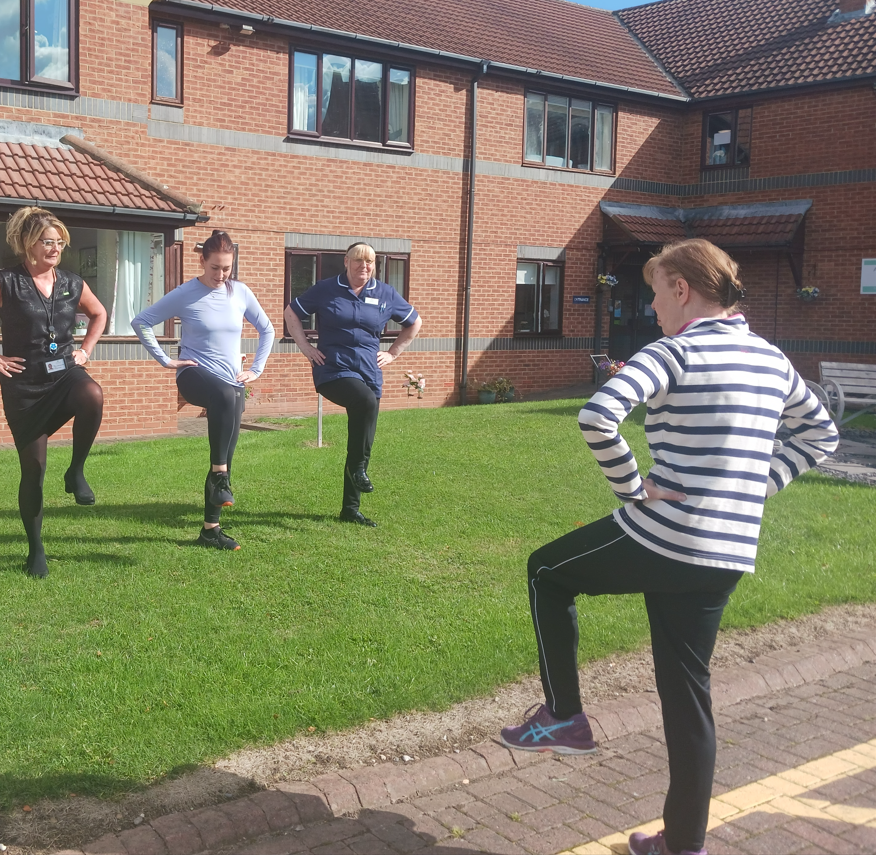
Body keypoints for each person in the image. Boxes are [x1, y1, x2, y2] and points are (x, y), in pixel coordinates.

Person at [498, 240, 838, 855]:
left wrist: (634, 489)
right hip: (727, 557)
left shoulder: (675, 349)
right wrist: (758, 487)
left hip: (665, 535)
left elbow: (597, 417)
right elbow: (822, 433)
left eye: (656, 293)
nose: (652, 307)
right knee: (687, 698)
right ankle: (681, 847)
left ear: (683, 289)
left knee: (545, 570)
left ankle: (564, 718)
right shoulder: (771, 358)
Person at [0, 207, 108, 578]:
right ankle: (36, 550)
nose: (55, 248)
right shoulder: (6, 281)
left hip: (65, 374)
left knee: (92, 395)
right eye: (47, 242)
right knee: (33, 471)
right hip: (24, 388)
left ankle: (77, 472)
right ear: (28, 244)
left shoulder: (72, 282)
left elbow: (99, 314)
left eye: (59, 242)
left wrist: (85, 350)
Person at [131, 230, 274, 550]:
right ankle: (221, 477)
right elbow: (142, 321)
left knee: (225, 450)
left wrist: (255, 370)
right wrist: (166, 360)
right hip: (194, 376)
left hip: (232, 381)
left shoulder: (240, 293)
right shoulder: (186, 292)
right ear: (202, 261)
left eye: (227, 269)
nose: (221, 275)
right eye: (215, 268)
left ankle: (211, 529)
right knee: (223, 419)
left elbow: (267, 329)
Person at [284, 242, 421, 527]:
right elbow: (291, 312)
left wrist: (393, 353)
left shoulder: (385, 293)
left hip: (369, 372)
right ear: (346, 262)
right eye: (358, 261)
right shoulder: (325, 289)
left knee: (362, 441)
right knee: (365, 402)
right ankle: (359, 471)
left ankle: (350, 509)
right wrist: (306, 348)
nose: (364, 266)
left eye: (369, 262)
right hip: (333, 369)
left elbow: (414, 322)